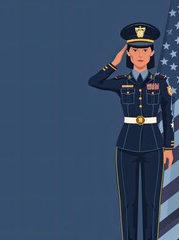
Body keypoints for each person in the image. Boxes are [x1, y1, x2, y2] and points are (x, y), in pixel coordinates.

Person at [88, 22, 174, 240]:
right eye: (135, 49)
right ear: (128, 52)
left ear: (152, 52)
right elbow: (94, 82)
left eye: (145, 49)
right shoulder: (121, 82)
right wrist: (113, 64)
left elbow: (168, 115)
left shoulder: (161, 83)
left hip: (154, 145)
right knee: (128, 202)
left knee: (151, 201)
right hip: (126, 145)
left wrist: (168, 147)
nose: (140, 54)